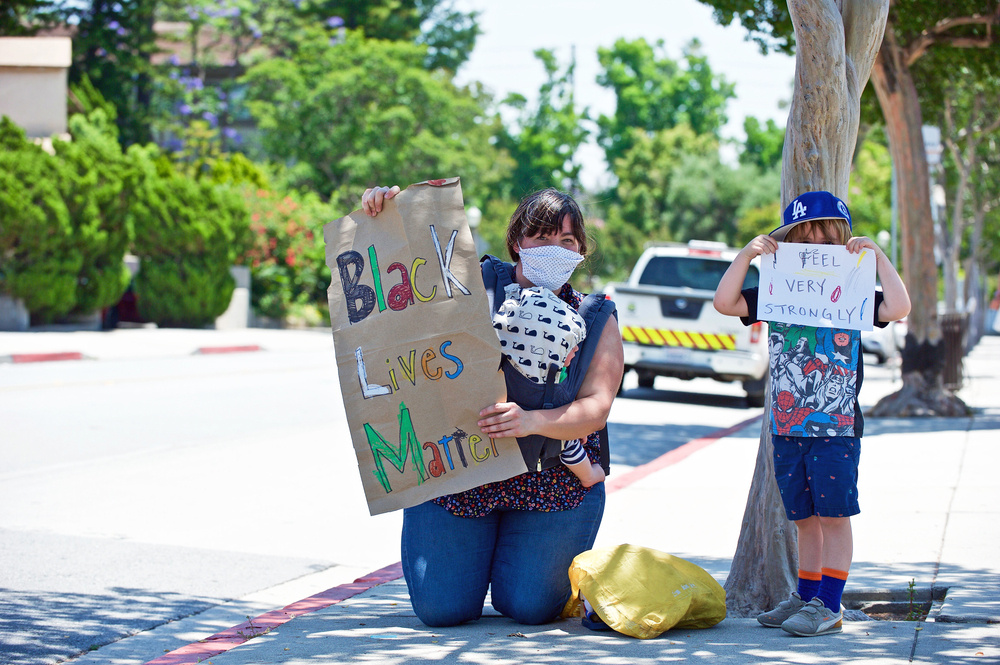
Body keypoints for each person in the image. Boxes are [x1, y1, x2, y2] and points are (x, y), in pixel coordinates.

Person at [361, 184, 624, 627]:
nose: (554, 249)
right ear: (516, 242)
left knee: (531, 608)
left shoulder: (596, 316)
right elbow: (409, 276)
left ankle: (522, 564)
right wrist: (387, 214)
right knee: (442, 610)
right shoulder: (468, 286)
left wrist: (531, 421)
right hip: (459, 477)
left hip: (552, 484)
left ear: (581, 251)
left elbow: (596, 408)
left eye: (567, 241)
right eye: (541, 237)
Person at [713, 191, 910, 637]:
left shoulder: (855, 288)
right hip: (786, 426)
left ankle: (830, 605)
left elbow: (898, 308)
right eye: (806, 233)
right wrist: (747, 253)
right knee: (802, 517)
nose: (817, 242)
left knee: (834, 515)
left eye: (827, 233)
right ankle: (805, 596)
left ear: (842, 237)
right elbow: (725, 303)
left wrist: (877, 257)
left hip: (837, 426)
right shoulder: (776, 287)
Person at [492, 284, 605, 488]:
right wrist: (573, 429)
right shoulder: (550, 379)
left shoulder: (504, 369)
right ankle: (589, 475)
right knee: (569, 445)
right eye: (571, 345)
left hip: (496, 458)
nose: (577, 349)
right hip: (542, 450)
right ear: (551, 348)